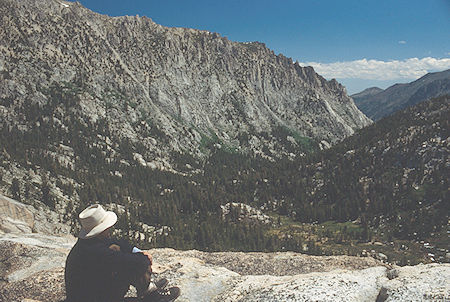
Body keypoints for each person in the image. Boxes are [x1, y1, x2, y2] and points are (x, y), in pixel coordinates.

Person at [65, 204, 180, 302]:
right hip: (93, 298)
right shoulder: (96, 251)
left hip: (86, 293)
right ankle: (153, 296)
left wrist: (136, 250)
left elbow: (116, 243)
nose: (109, 228)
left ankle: (148, 287)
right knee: (130, 264)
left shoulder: (88, 243)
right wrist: (143, 256)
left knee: (117, 249)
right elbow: (138, 262)